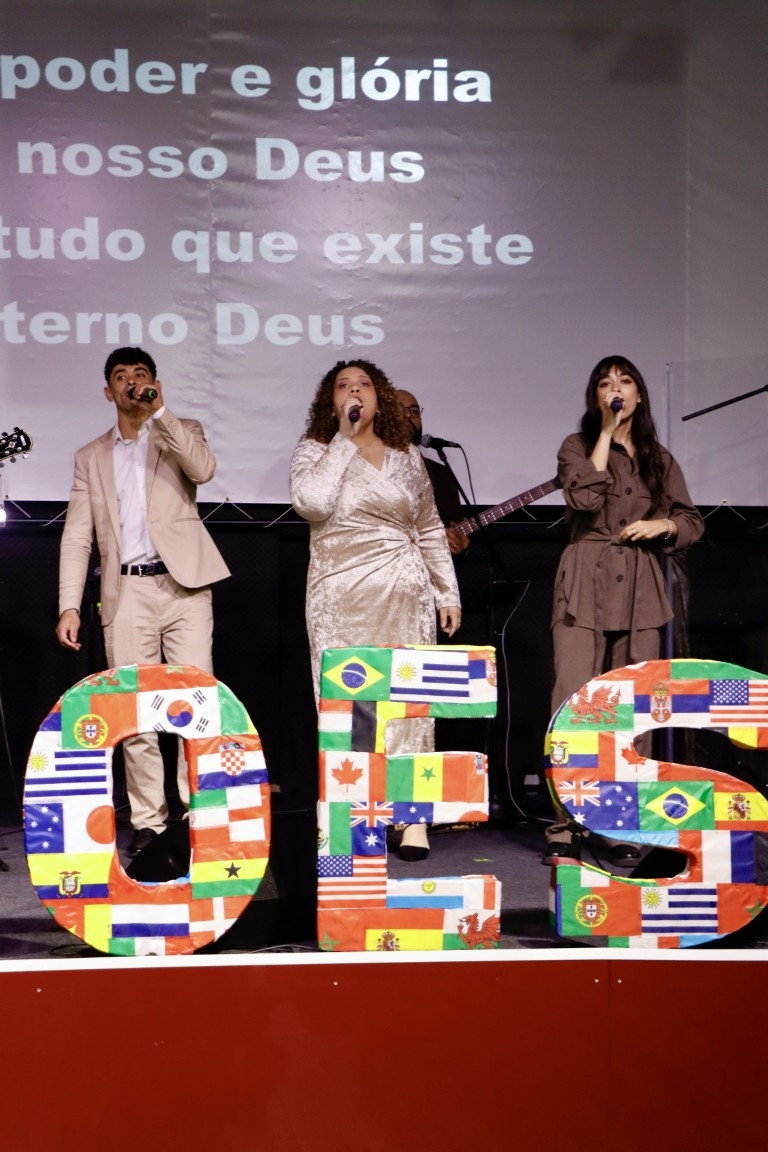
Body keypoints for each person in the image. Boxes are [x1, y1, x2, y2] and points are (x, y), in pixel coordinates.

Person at [56, 347, 230, 856]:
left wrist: (160, 412)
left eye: (141, 374)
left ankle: (199, 813)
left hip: (184, 587)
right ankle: (150, 821)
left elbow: (203, 469)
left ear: (155, 382)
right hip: (126, 590)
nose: (132, 382)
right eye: (121, 376)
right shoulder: (90, 456)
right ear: (107, 392)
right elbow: (77, 537)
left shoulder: (181, 429)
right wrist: (70, 605)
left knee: (196, 705)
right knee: (136, 711)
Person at [290, 359, 461, 861]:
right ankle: (355, 816)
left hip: (405, 594)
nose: (354, 391)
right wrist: (344, 442)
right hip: (340, 597)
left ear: (379, 397)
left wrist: (446, 592)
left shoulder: (406, 456)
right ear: (331, 403)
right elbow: (311, 504)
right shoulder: (314, 450)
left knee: (409, 703)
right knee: (350, 708)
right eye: (343, 386)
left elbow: (429, 527)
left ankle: (412, 818)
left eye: (363, 384)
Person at [545, 355, 704, 865]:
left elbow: (691, 519)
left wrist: (664, 526)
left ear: (639, 394)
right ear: (596, 397)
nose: (615, 389)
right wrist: (605, 434)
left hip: (641, 588)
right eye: (605, 383)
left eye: (625, 381)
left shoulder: (659, 458)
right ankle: (566, 824)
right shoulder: (576, 446)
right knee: (573, 702)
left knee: (634, 708)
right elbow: (584, 501)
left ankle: (623, 820)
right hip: (585, 582)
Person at [396, 389, 470, 556]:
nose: (407, 415)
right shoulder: (366, 467)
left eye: (414, 411)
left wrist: (460, 546)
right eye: (398, 409)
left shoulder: (441, 474)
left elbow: (455, 530)